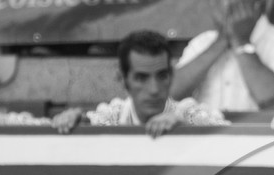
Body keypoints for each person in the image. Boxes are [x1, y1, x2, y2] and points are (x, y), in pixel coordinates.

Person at [53, 30, 229, 136]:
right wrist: (73, 121)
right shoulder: (113, 116)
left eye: (162, 76)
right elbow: (88, 123)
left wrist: (185, 129)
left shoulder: (188, 114)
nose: (154, 89)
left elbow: (231, 138)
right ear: (122, 79)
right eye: (141, 78)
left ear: (171, 75)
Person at [170, 0, 274, 113]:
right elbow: (171, 93)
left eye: (232, 4)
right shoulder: (201, 42)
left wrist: (242, 43)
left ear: (257, 4)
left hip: (259, 141)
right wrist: (221, 41)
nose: (221, 5)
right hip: (205, 141)